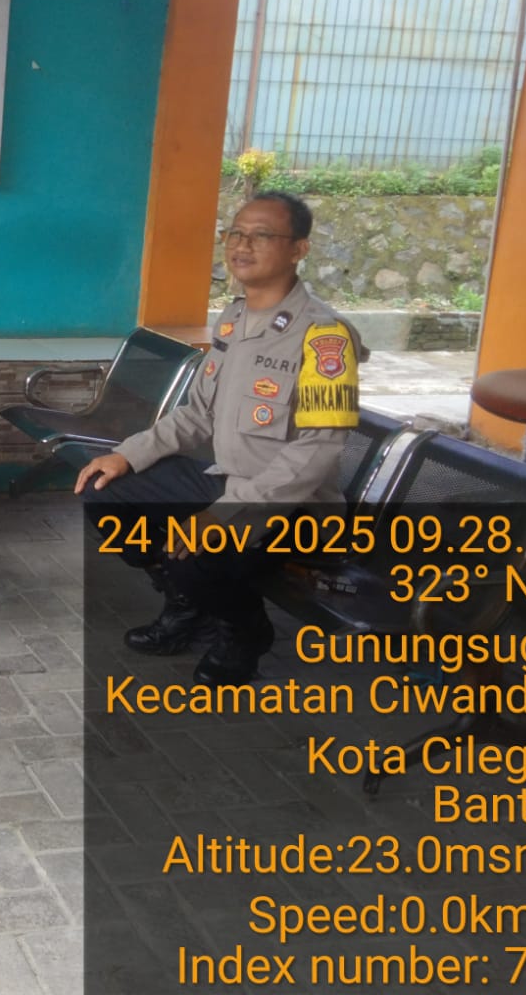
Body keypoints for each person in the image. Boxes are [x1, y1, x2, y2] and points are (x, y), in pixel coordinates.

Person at [74, 191, 363, 686]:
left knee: (201, 549)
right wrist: (127, 455)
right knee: (106, 491)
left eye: (262, 235)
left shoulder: (326, 338)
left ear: (299, 249)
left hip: (293, 507)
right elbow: (198, 413)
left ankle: (244, 631)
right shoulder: (233, 319)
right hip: (227, 480)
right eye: (236, 233)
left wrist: (221, 515)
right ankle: (189, 604)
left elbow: (318, 450)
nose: (242, 245)